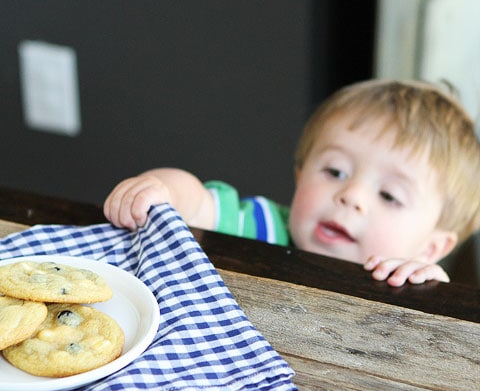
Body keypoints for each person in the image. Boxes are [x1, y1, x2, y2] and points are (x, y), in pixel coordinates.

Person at [103, 79, 480, 287]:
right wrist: (162, 189)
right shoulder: (261, 228)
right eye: (335, 172)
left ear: (431, 247)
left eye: (389, 195)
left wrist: (428, 288)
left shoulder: (409, 283)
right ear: (300, 176)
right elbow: (196, 201)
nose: (351, 196)